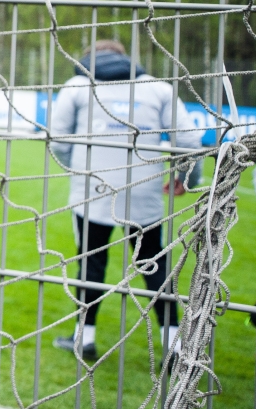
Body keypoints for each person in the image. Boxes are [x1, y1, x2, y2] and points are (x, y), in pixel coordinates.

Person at [48, 39, 202, 362]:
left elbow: (57, 139)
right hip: (143, 189)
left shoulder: (78, 85)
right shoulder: (157, 88)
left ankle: (84, 338)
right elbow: (188, 140)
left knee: (90, 262)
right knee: (153, 263)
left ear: (89, 57)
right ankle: (173, 345)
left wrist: (74, 168)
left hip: (92, 189)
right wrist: (187, 177)